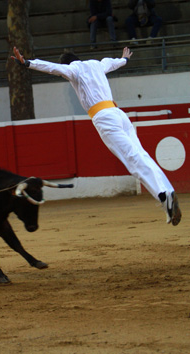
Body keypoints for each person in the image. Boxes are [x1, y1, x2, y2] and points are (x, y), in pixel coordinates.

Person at [12, 46, 181, 227]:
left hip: (104, 118)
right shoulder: (96, 64)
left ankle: (163, 196)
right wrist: (125, 59)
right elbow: (113, 62)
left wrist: (27, 63)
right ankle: (166, 193)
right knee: (141, 154)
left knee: (133, 159)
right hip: (119, 113)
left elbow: (53, 68)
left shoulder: (72, 69)